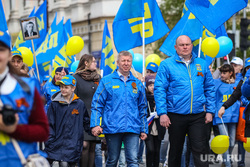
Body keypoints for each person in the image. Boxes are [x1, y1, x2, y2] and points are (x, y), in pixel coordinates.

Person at [154, 35, 215, 167]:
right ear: (176, 47)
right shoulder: (166, 65)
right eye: (182, 45)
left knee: (200, 149)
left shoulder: (202, 64)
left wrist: (210, 110)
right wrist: (162, 113)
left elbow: (210, 88)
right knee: (176, 150)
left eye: (188, 44)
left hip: (198, 115)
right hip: (175, 115)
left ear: (192, 46)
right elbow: (159, 90)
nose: (185, 47)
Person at [0, 25, 49, 166]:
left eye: (1, 50)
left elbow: (43, 131)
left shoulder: (27, 87)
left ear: (9, 55)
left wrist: (14, 129)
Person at [90, 51, 148, 167]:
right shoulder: (107, 81)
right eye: (123, 61)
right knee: (112, 160)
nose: (126, 63)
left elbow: (142, 107)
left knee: (133, 160)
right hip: (112, 128)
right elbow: (97, 104)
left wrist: (143, 128)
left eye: (128, 61)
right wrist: (95, 124)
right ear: (117, 62)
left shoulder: (137, 83)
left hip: (133, 127)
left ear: (131, 63)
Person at [45, 75, 90, 167]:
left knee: (72, 164)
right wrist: (50, 141)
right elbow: (49, 124)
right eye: (61, 87)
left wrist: (95, 129)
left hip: (74, 145)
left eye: (66, 87)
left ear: (73, 88)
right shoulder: (54, 104)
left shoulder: (80, 104)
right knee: (63, 164)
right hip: (58, 144)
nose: (63, 89)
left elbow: (86, 122)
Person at [218, 58, 250, 167]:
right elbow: (236, 94)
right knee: (238, 141)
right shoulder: (245, 80)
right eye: (248, 68)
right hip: (242, 116)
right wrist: (224, 106)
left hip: (236, 116)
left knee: (233, 142)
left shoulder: (239, 80)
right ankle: (231, 163)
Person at [73, 54, 100, 167]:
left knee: (93, 147)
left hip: (95, 117)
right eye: (93, 61)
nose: (95, 63)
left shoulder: (97, 78)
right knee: (84, 146)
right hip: (81, 117)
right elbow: (73, 99)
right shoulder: (76, 78)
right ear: (86, 63)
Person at [213, 64, 239, 167]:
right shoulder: (216, 83)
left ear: (230, 73)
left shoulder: (237, 83)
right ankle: (228, 164)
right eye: (221, 73)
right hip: (221, 117)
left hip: (233, 116)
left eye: (224, 73)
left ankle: (225, 161)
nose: (222, 75)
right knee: (225, 143)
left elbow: (242, 96)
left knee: (232, 143)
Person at [145, 75, 166, 167]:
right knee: (150, 149)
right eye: (150, 85)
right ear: (147, 87)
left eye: (154, 85)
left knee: (157, 151)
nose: (152, 87)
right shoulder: (144, 98)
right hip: (148, 127)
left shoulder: (160, 97)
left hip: (158, 127)